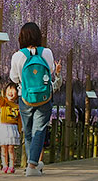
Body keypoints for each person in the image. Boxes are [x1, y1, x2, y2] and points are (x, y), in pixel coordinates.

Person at [9, 22, 62, 177]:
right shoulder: (47, 52)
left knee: (29, 131)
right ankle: (33, 164)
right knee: (40, 129)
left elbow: (14, 78)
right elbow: (50, 72)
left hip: (25, 98)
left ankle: (31, 165)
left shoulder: (18, 55)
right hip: (44, 97)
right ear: (39, 36)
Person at [0, 80, 22, 173]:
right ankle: (4, 165)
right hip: (3, 128)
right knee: (3, 148)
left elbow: (19, 119)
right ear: (5, 92)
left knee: (11, 148)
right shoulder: (4, 102)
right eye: (9, 90)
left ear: (17, 93)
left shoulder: (18, 106)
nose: (11, 92)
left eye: (13, 90)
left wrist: (20, 130)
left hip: (12, 128)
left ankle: (12, 166)